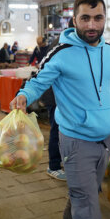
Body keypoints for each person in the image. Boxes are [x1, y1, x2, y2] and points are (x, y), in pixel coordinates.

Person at [10, 0, 110, 219]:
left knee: (85, 194)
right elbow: (37, 81)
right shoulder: (61, 52)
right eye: (85, 18)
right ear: (74, 20)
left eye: (98, 18)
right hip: (76, 139)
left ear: (105, 19)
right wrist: (23, 95)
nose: (92, 25)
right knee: (86, 201)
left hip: (106, 138)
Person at [40, 18, 74, 182]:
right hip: (55, 96)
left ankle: (61, 160)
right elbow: (43, 71)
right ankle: (53, 166)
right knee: (57, 130)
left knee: (64, 131)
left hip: (63, 96)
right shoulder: (62, 46)